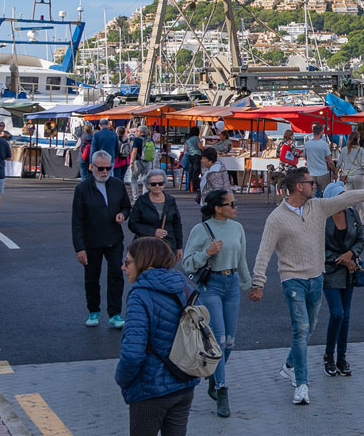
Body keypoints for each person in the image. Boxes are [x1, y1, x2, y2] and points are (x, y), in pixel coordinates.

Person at [249, 168, 364, 404]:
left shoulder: (317, 207)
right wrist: (258, 282)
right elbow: (264, 252)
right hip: (292, 280)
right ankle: (301, 385)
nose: (315, 185)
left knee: (308, 328)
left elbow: (347, 198)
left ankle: (290, 365)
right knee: (301, 329)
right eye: (310, 182)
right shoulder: (276, 219)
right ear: (299, 186)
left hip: (316, 277)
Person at [115, 237, 198, 436]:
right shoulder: (184, 287)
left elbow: (133, 354)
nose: (123, 268)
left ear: (145, 262)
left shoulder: (140, 295)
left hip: (150, 389)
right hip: (184, 382)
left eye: (127, 262)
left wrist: (122, 379)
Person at [183, 189, 252, 418]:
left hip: (231, 284)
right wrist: (207, 253)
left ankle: (214, 375)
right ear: (217, 208)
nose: (235, 207)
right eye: (230, 204)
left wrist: (250, 285)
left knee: (230, 342)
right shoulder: (200, 230)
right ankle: (222, 390)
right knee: (219, 340)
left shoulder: (237, 228)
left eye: (235, 203)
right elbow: (187, 264)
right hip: (210, 286)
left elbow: (241, 260)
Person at [72, 150, 132, 327]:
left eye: (108, 168)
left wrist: (122, 214)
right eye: (101, 168)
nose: (105, 172)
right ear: (91, 167)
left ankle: (115, 313)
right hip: (91, 241)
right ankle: (93, 311)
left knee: (116, 275)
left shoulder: (117, 184)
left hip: (114, 239)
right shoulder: (82, 189)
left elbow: (127, 207)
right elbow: (76, 221)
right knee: (92, 277)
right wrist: (79, 248)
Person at [320, 182, 364, 378]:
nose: (344, 200)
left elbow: (361, 239)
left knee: (346, 316)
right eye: (340, 196)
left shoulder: (352, 214)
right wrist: (342, 260)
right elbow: (317, 247)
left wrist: (351, 254)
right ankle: (329, 355)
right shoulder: (321, 218)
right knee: (337, 314)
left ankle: (342, 358)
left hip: (349, 270)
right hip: (330, 270)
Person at [128, 169, 183, 261]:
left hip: (168, 246)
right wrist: (152, 232)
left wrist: (179, 247)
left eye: (160, 183)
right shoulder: (141, 201)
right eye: (153, 184)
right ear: (148, 185)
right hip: (146, 247)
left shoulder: (170, 200)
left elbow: (177, 225)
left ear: (164, 183)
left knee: (167, 274)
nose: (157, 186)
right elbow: (132, 224)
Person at [338, 131, 364, 225]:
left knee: (349, 199)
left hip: (347, 177)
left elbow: (339, 163)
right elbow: (363, 164)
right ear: (358, 139)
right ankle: (363, 219)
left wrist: (336, 173)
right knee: (360, 198)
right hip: (359, 175)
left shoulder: (344, 150)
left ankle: (350, 219)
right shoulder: (360, 150)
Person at [303, 123, 335, 195]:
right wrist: (334, 170)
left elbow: (305, 156)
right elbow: (330, 161)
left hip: (311, 173)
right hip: (323, 173)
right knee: (325, 193)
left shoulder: (307, 144)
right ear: (321, 132)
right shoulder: (324, 144)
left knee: (311, 194)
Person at [128, 125, 152, 201]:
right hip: (148, 162)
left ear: (140, 132)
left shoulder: (137, 140)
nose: (136, 132)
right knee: (145, 180)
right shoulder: (150, 140)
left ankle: (136, 197)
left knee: (134, 178)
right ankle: (145, 197)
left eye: (137, 131)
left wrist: (131, 162)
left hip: (138, 162)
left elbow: (134, 151)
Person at [184, 127, 203, 198]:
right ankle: (196, 187)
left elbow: (187, 148)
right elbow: (200, 147)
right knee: (196, 171)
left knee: (191, 171)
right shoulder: (196, 138)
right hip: (197, 155)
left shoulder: (188, 139)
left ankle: (189, 186)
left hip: (190, 156)